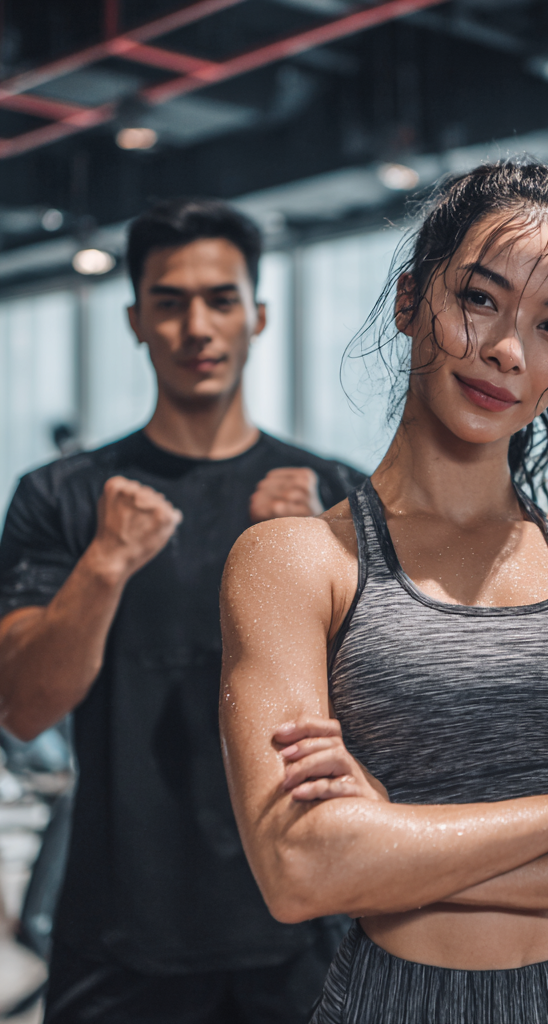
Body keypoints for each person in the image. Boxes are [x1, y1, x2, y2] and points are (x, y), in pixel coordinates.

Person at [219, 160, 548, 1024]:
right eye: (480, 299)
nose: (508, 350)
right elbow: (301, 869)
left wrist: (393, 851)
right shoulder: (296, 559)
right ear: (410, 298)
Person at [0, 198, 364, 1023]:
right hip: (120, 932)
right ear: (136, 320)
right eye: (169, 302)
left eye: (221, 299)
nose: (196, 326)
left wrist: (311, 557)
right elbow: (24, 707)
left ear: (258, 315)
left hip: (300, 925)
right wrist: (106, 563)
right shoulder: (62, 499)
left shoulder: (333, 495)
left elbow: (387, 710)